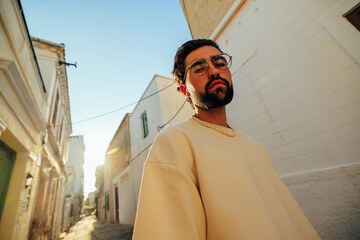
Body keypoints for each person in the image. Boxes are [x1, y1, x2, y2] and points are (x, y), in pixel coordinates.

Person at [132, 39, 320, 240]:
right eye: (199, 68)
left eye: (219, 63)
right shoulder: (175, 141)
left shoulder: (255, 146)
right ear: (185, 90)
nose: (214, 71)